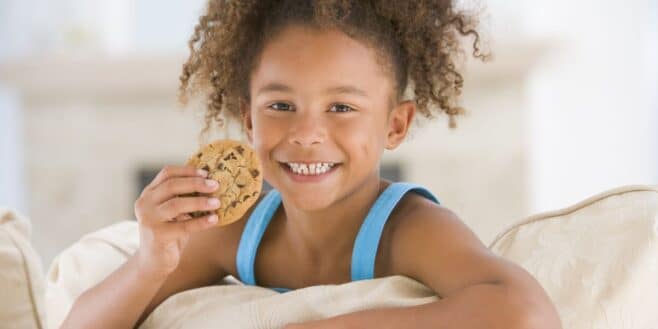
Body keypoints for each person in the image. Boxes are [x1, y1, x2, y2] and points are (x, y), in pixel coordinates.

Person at [62, 1, 562, 328]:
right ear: (248, 121)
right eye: (280, 106)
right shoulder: (233, 227)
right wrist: (152, 259)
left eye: (341, 108)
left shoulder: (410, 229)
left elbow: (527, 313)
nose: (306, 134)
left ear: (395, 126)